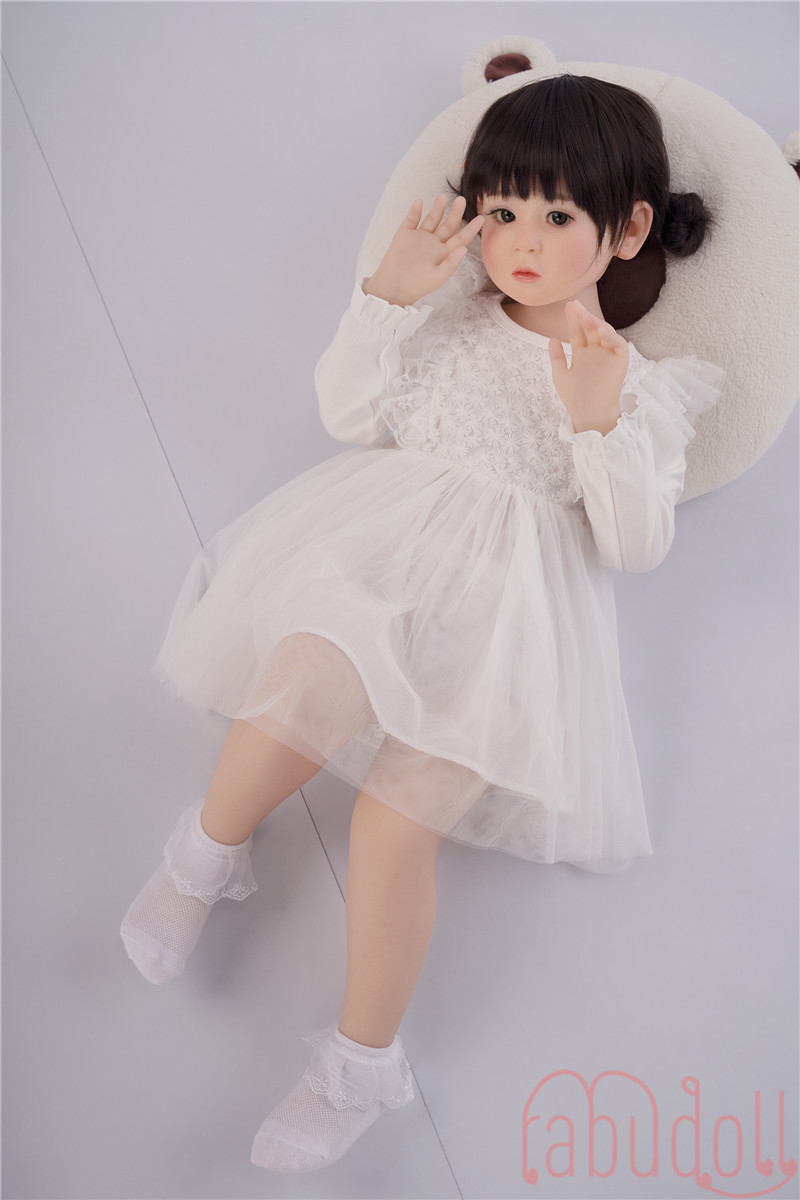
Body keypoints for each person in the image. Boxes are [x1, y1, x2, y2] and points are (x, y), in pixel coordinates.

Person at [119, 73, 725, 1173]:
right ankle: (205, 854)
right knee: (302, 682)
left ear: (627, 228)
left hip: (506, 629)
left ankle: (361, 1063)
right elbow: (349, 414)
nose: (522, 241)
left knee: (396, 827)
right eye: (503, 210)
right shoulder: (449, 317)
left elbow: (634, 544)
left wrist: (598, 427)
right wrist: (386, 299)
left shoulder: (634, 385)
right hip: (385, 559)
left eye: (558, 216)